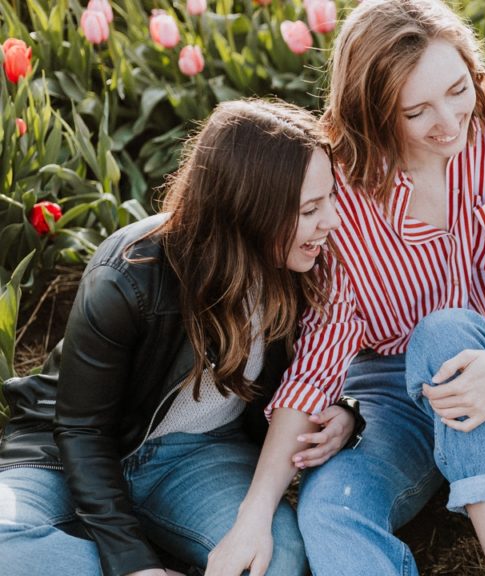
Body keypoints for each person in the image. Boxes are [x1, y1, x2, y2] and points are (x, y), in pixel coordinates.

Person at [253, 0, 485, 574]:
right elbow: (322, 352)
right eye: (415, 111)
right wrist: (257, 510)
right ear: (371, 113)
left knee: (445, 333)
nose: (448, 122)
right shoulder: (343, 184)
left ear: (472, 69)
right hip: (393, 395)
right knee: (329, 511)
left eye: (457, 90)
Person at [0, 99, 362, 576]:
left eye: (330, 198)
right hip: (66, 453)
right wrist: (134, 566)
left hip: (197, 455)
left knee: (277, 560)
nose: (331, 221)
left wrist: (344, 413)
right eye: (311, 208)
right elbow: (82, 430)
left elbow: (322, 366)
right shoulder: (128, 277)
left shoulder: (307, 270)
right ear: (247, 211)